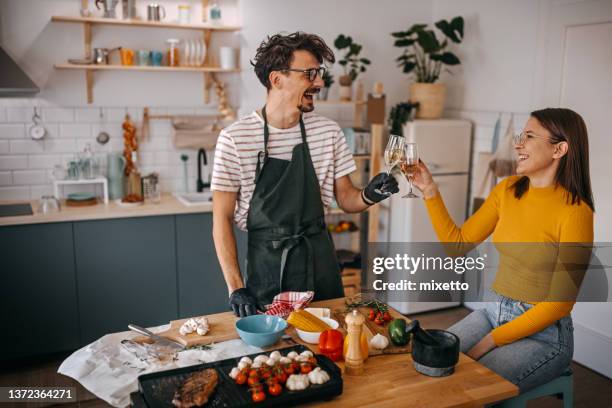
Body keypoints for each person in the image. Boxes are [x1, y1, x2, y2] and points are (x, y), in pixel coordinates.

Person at [211, 32, 398, 317]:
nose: (320, 83)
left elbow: (346, 199)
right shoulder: (235, 139)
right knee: (275, 354)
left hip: (319, 260)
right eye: (310, 74)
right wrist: (235, 287)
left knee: (332, 345)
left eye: (319, 73)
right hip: (268, 266)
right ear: (277, 79)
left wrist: (370, 194)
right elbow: (221, 219)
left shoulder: (328, 132)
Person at [409, 108, 594, 392]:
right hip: (492, 312)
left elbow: (559, 304)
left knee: (466, 388)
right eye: (521, 135)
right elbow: (457, 244)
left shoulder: (576, 212)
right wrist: (429, 190)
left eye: (529, 136)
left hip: (544, 335)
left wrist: (491, 341)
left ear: (559, 149)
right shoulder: (507, 190)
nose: (518, 144)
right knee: (429, 363)